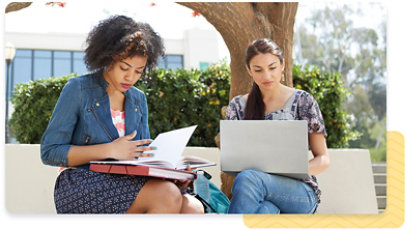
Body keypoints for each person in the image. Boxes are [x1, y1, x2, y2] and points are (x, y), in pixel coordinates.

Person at [40, 15, 203, 214]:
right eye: (124, 68)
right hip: (81, 183)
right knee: (167, 195)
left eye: (138, 71)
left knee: (192, 207)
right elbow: (50, 152)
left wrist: (169, 170)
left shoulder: (138, 99)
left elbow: (142, 155)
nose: (130, 77)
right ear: (107, 58)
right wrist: (110, 150)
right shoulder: (78, 89)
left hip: (129, 181)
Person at [225, 38, 330, 214]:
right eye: (258, 70)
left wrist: (291, 171)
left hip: (300, 192)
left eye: (272, 68)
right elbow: (233, 162)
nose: (266, 76)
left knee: (248, 178)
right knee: (265, 210)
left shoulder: (303, 101)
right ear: (249, 70)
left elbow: (323, 159)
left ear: (282, 65)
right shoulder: (237, 106)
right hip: (257, 191)